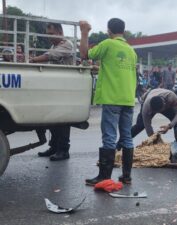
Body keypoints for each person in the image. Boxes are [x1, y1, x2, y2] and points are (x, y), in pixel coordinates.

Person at [79, 18, 137, 185]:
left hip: (112, 98)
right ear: (123, 31)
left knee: (109, 137)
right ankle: (126, 176)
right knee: (126, 137)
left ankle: (104, 176)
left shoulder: (108, 44)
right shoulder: (131, 51)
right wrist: (100, 68)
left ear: (109, 31)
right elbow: (119, 70)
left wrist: (84, 33)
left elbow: (84, 55)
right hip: (128, 99)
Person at [31, 23, 74, 161]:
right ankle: (54, 147)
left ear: (60, 31)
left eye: (51, 34)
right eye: (47, 34)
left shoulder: (67, 44)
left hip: (66, 88)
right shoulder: (53, 46)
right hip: (56, 88)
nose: (49, 37)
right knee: (53, 119)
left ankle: (63, 150)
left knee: (63, 120)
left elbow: (50, 56)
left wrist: (33, 60)